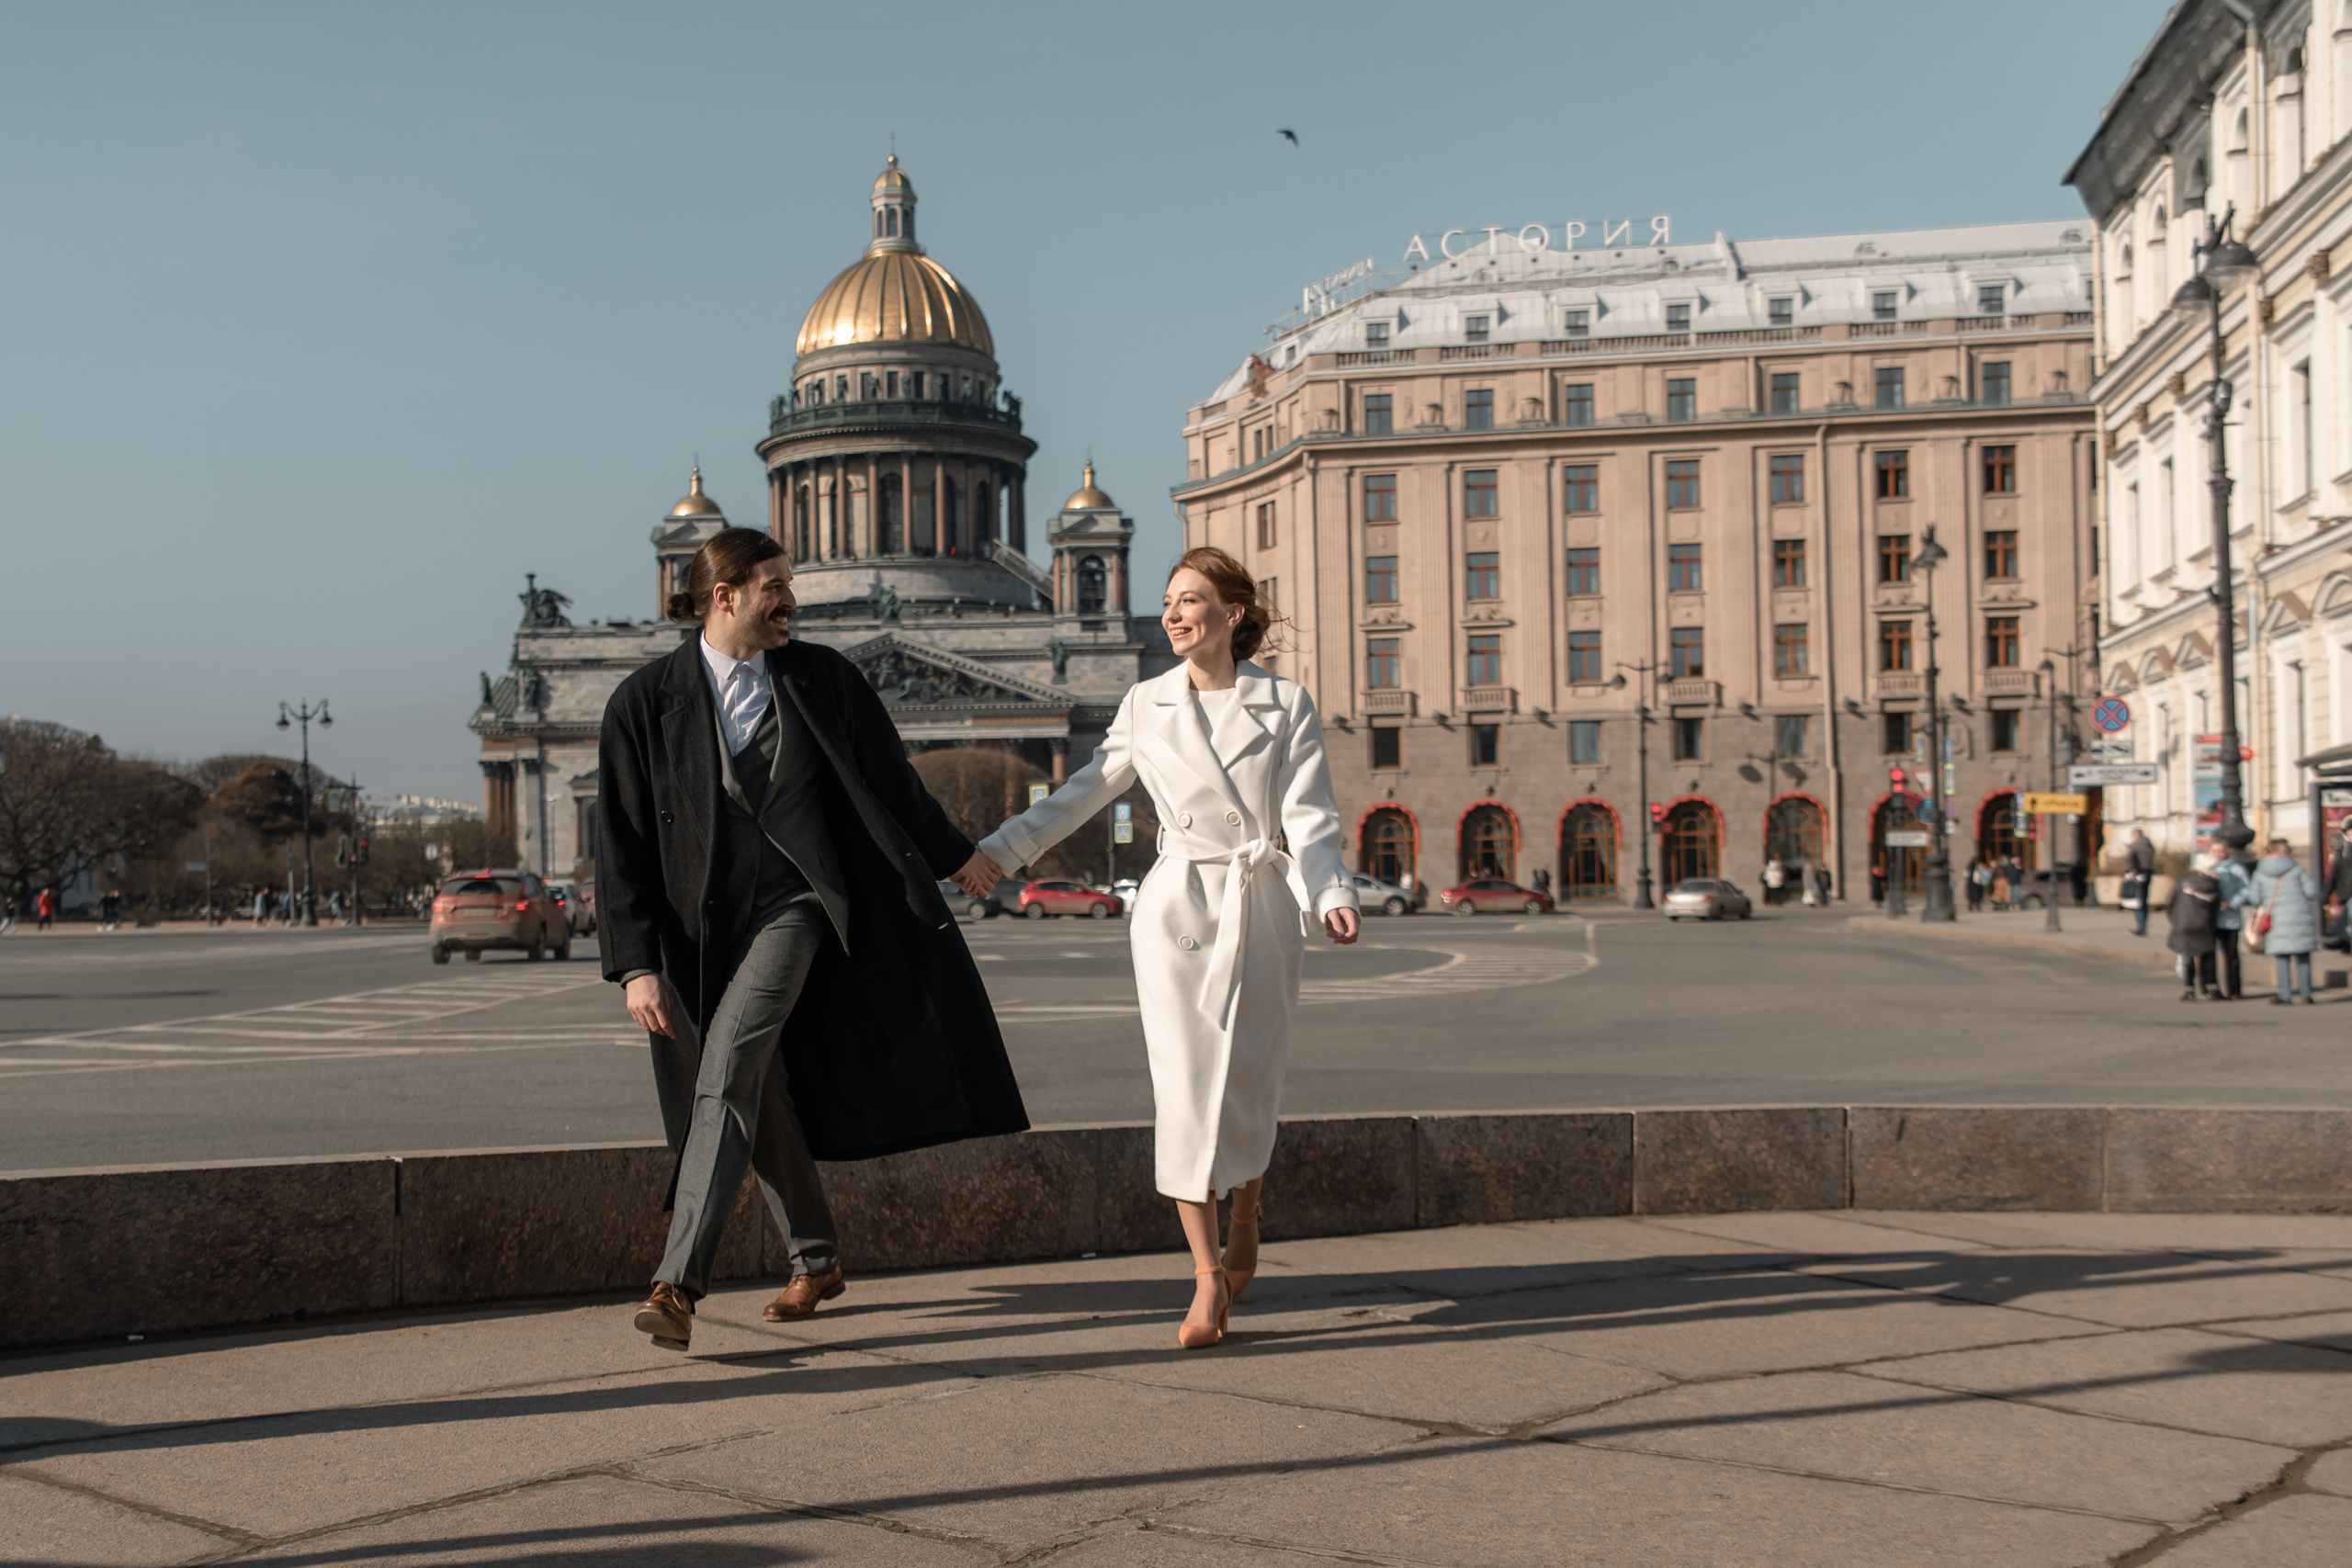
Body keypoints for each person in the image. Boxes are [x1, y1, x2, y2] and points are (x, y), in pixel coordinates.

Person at [598, 528, 1025, 1353]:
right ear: (724, 596)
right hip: (699, 927)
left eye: (790, 583)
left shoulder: (825, 678)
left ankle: (677, 1282)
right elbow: (620, 844)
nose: (793, 598)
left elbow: (892, 779)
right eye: (775, 586)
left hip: (800, 902)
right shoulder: (644, 701)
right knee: (761, 1086)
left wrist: (958, 855)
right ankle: (817, 1255)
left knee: (725, 1067)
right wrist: (635, 964)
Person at [970, 547, 1360, 1350]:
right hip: (1178, 906)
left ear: (1235, 613)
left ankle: (1248, 1207)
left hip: (1260, 903)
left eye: (1191, 600)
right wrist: (1000, 853)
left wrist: (1331, 892)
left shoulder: (1284, 702)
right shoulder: (1146, 703)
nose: (1175, 613)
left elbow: (1311, 812)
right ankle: (1206, 1274)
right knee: (1184, 1085)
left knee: (1251, 1071)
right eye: (1169, 601)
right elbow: (1085, 790)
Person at [2249, 838, 2322, 1005]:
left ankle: (2285, 994)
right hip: (2300, 917)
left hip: (2275, 918)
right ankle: (2306, 994)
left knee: (2282, 958)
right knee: (2303, 957)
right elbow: (2311, 892)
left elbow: (2254, 898)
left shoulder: (2260, 872)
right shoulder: (2297, 868)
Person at [2166, 852, 2223, 1000]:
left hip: (2184, 923)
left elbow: (2171, 902)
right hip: (2204, 925)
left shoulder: (2183, 881)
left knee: (2187, 956)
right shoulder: (2214, 884)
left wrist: (2175, 920)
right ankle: (2212, 988)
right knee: (2208, 955)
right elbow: (2215, 908)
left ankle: (2189, 990)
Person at [2211, 840, 2251, 999]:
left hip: (2230, 919)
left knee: (2231, 956)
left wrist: (2233, 903)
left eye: (2221, 851)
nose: (2218, 854)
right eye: (2215, 851)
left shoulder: (2237, 868)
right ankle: (2211, 987)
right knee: (2208, 956)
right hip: (2209, 919)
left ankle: (2234, 990)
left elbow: (2246, 889)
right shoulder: (2206, 868)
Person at [2324, 826, 2352, 953]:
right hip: (2345, 893)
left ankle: (2342, 939)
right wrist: (2326, 894)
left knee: (2348, 919)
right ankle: (2344, 940)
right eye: (2350, 831)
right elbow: (2335, 875)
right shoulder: (2342, 851)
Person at [2126, 829, 2157, 937]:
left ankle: (2140, 927)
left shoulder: (2135, 846)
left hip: (2138, 874)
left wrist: (2132, 870)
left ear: (2135, 836)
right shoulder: (2149, 845)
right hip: (2148, 872)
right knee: (2144, 899)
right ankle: (2143, 926)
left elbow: (2130, 859)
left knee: (2137, 900)